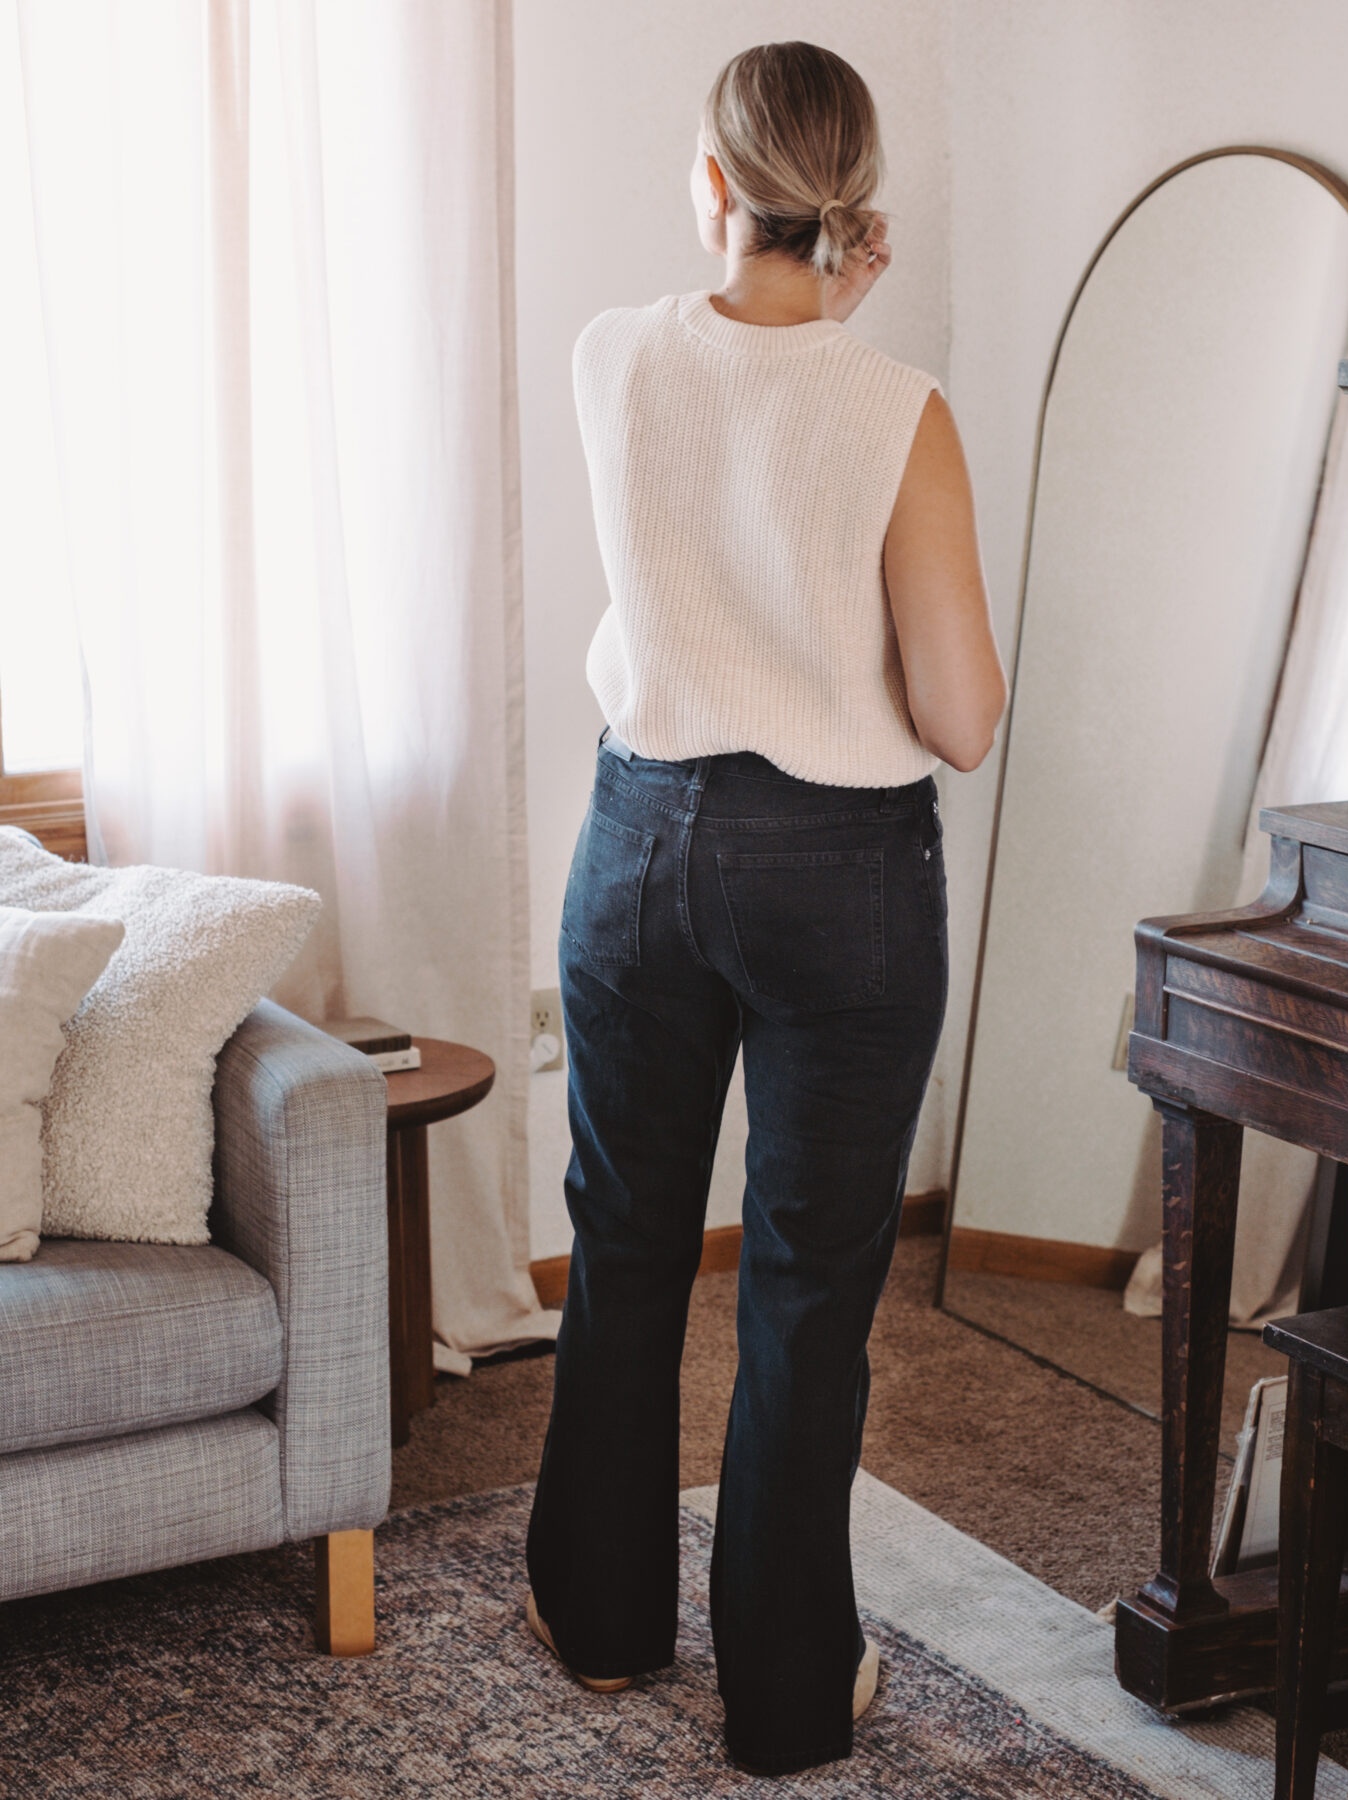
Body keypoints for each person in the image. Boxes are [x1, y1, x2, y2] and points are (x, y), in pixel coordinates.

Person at [524, 39, 1007, 1778]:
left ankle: (597, 1622)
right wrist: (857, 340)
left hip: (641, 844)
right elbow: (958, 717)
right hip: (843, 873)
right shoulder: (901, 411)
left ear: (718, 189)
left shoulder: (609, 360)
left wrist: (815, 300)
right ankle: (789, 1698)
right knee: (806, 1289)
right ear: (856, 208)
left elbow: (732, 392)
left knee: (628, 1236)